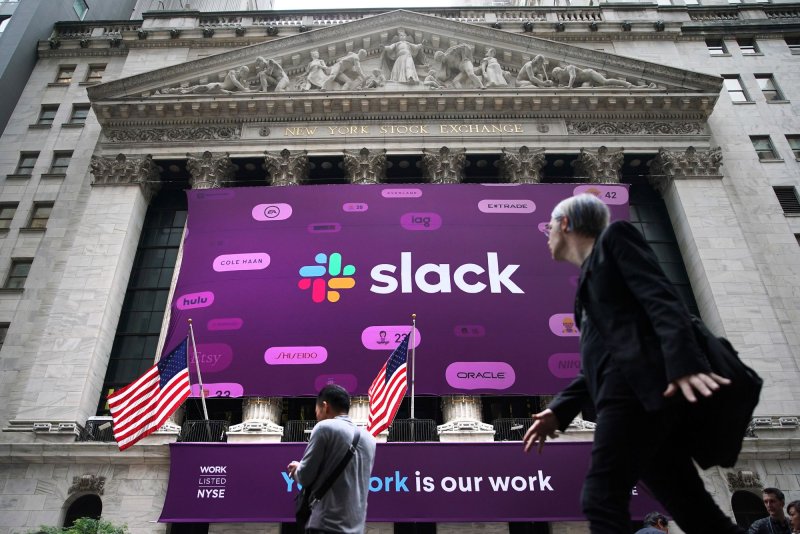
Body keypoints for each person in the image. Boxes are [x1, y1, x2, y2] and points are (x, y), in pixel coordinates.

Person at [522, 193, 744, 534]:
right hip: (638, 396)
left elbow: (663, 301)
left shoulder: (616, 238)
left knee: (601, 497)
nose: (546, 234)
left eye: (549, 226)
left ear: (566, 224)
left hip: (635, 394)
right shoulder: (586, 282)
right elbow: (604, 355)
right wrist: (560, 410)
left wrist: (683, 365)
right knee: (693, 510)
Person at [287, 384, 376, 533]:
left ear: (324, 406)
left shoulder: (324, 428)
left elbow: (305, 477)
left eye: (316, 411)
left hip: (326, 525)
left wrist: (297, 469)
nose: (317, 416)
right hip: (356, 528)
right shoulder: (369, 439)